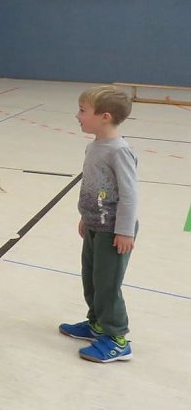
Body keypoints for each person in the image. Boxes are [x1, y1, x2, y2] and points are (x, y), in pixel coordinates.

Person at [60, 86, 137, 362]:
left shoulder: (119, 151)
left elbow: (128, 195)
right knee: (91, 278)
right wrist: (86, 217)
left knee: (107, 284)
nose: (77, 115)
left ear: (105, 116)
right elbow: (96, 188)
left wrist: (125, 230)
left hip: (114, 232)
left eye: (82, 111)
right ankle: (97, 324)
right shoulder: (94, 146)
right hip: (95, 226)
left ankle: (117, 338)